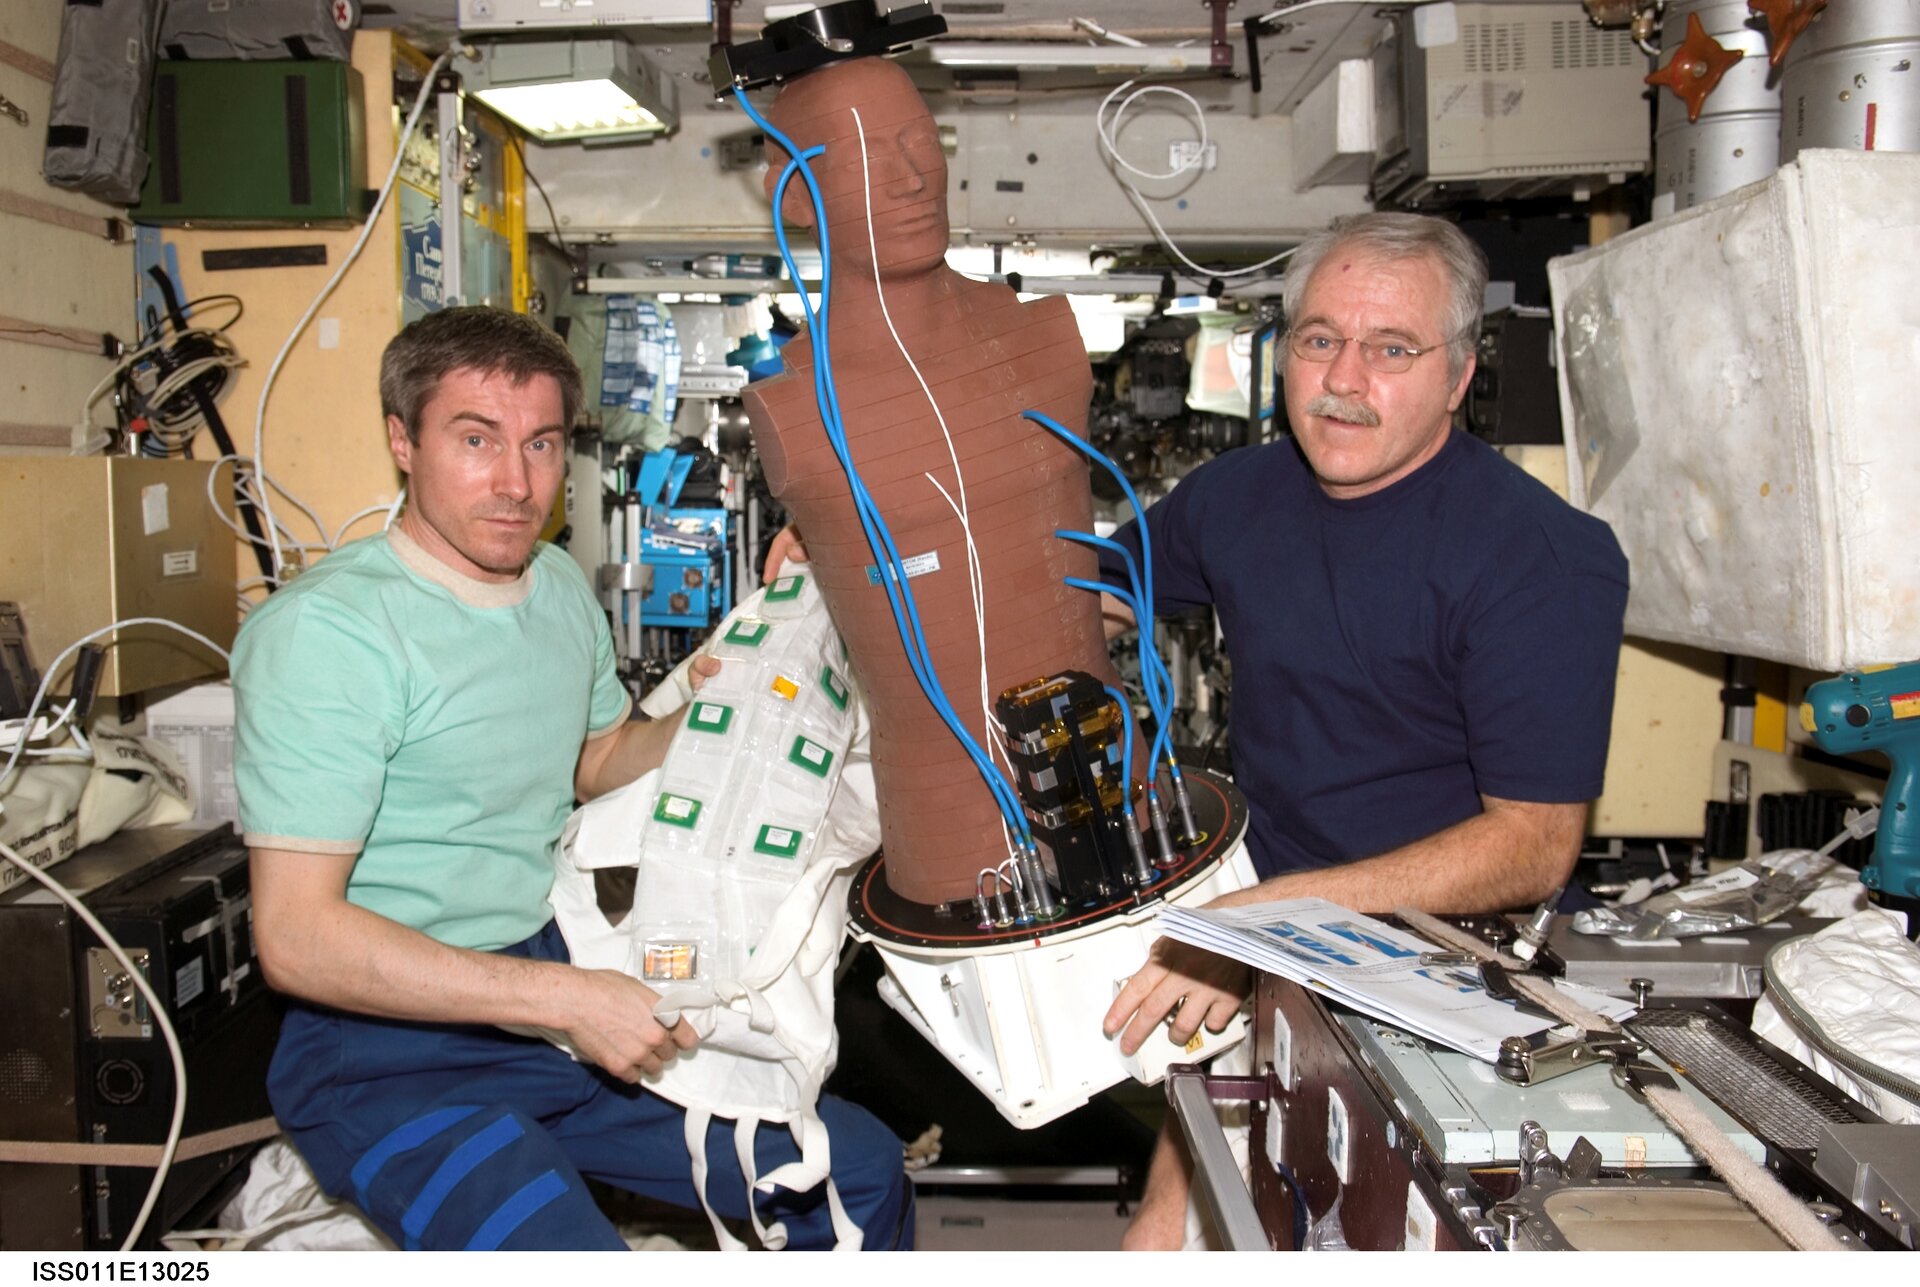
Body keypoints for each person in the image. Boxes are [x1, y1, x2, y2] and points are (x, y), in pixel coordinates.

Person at [232, 306, 913, 1251]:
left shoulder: (553, 584)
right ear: (402, 440)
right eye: (476, 440)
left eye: (541, 443)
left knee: (864, 1173)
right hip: (386, 1054)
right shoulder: (328, 635)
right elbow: (297, 941)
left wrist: (760, 662)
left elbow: (596, 760)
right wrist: (564, 1000)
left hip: (550, 1007)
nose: (517, 482)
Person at [1096, 212, 1630, 1248]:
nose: (1345, 378)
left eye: (1392, 349)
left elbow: (1532, 843)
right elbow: (1085, 592)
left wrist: (1261, 921)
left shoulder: (1537, 558)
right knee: (1162, 1238)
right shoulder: (1241, 494)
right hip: (1264, 937)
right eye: (1319, 338)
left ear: (1461, 374)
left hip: (1441, 966)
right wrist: (859, 551)